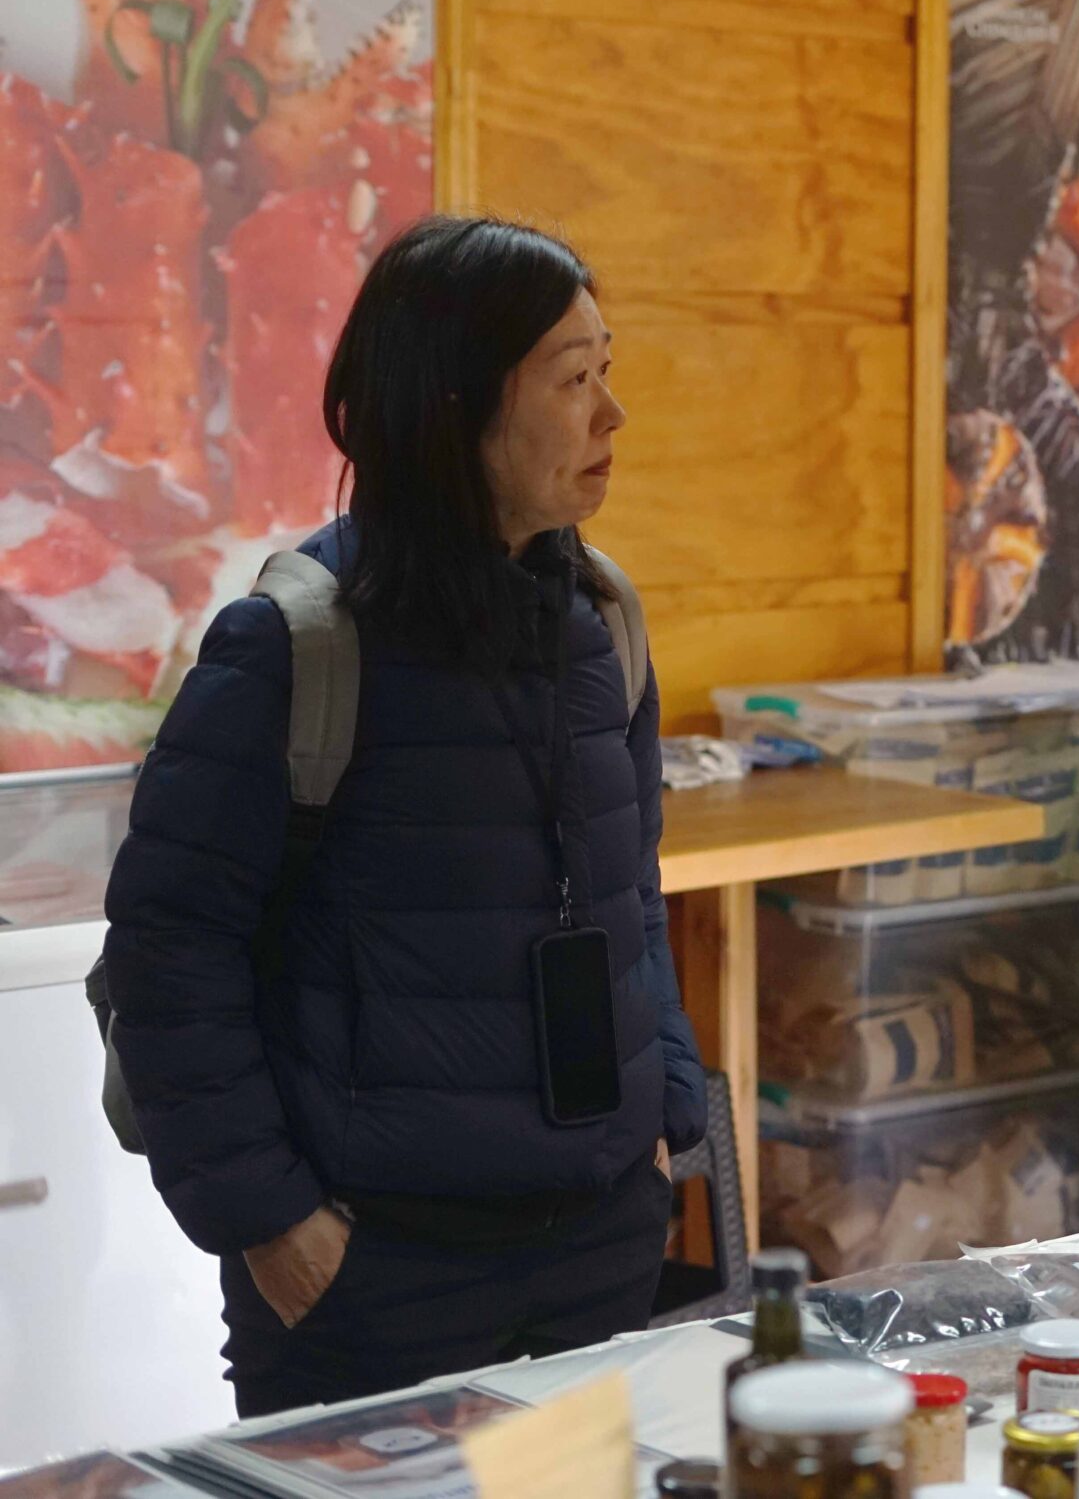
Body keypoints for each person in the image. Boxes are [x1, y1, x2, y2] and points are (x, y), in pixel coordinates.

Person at [103, 216, 706, 1415]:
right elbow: (168, 951)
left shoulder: (603, 624)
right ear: (455, 405)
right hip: (374, 1280)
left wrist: (666, 1110)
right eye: (572, 380)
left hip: (594, 1249)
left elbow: (633, 893)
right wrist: (271, 1219)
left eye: (607, 370)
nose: (612, 414)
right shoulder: (296, 647)